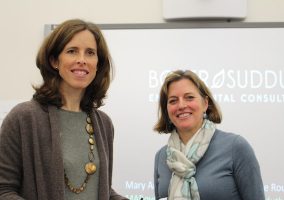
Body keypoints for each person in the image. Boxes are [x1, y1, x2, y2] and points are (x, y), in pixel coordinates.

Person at [0, 19, 128, 200]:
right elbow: (3, 190)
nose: (82, 60)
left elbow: (101, 190)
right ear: (54, 61)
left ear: (97, 64)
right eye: (72, 51)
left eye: (90, 53)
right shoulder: (23, 117)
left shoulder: (103, 124)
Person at [153, 70, 265, 200]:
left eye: (189, 97)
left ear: (205, 103)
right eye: (173, 101)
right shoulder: (162, 156)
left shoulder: (236, 147)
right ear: (167, 109)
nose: (181, 105)